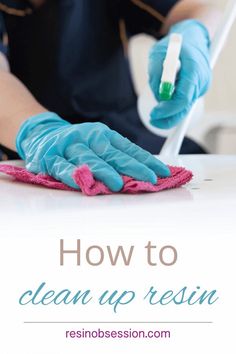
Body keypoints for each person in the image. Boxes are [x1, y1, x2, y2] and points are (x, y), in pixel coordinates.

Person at [0, 0, 220, 191]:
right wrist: (38, 132)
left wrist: (193, 33)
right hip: (31, 151)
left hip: (130, 138)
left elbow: (198, 9)